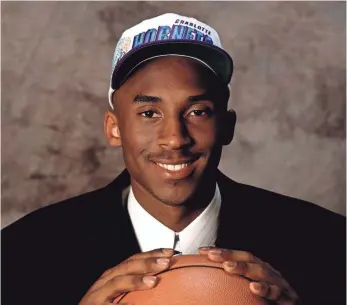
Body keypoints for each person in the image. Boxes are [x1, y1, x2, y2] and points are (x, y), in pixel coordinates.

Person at [1, 13, 345, 305]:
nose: (175, 139)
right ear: (114, 128)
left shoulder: (328, 244)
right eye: (149, 112)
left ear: (227, 126)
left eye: (197, 111)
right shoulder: (22, 254)